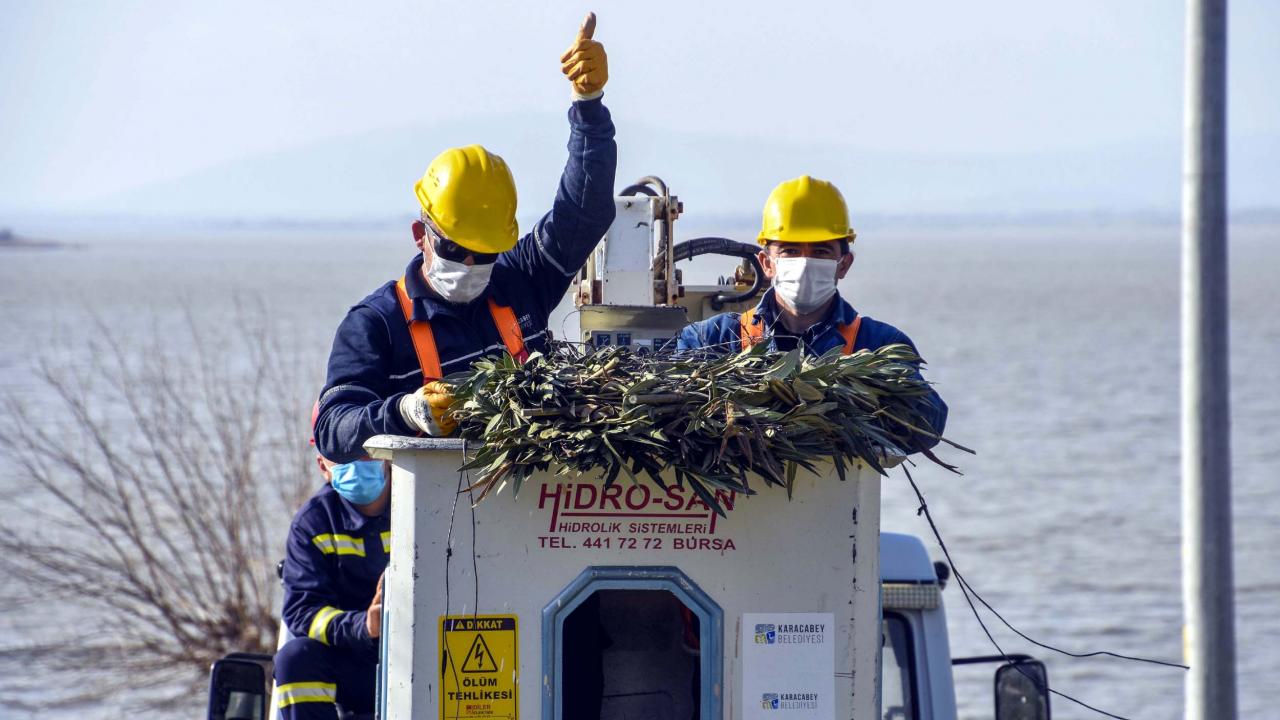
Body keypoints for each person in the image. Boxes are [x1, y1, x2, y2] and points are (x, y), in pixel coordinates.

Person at [314, 13, 616, 461]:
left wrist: (589, 106)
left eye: (485, 252)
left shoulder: (519, 280)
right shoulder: (376, 326)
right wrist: (404, 412)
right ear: (422, 235)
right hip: (436, 522)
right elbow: (333, 429)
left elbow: (584, 212)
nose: (471, 266)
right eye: (456, 249)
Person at [676, 175, 948, 453]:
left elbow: (927, 426)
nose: (805, 263)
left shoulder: (879, 343)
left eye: (821, 251)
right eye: (790, 250)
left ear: (844, 264)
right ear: (766, 263)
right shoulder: (712, 338)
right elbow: (673, 417)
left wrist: (860, 396)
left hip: (838, 496)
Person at [273, 404, 391, 719]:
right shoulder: (313, 523)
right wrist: (363, 626)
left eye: (363, 449)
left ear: (388, 452)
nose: (356, 461)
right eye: (341, 455)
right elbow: (302, 612)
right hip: (353, 666)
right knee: (295, 659)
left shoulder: (425, 503)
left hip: (427, 654)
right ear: (323, 466)